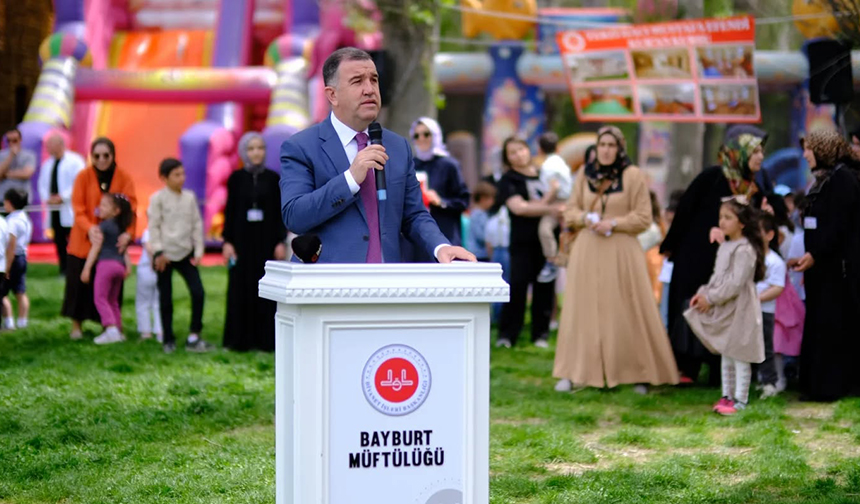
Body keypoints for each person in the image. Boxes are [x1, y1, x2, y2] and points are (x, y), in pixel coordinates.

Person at [279, 47, 474, 264]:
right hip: (329, 279)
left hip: (386, 278)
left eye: (374, 80)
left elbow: (414, 215)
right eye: (357, 81)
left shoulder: (398, 147)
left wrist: (441, 246)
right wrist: (350, 180)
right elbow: (295, 216)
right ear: (332, 95)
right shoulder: (301, 147)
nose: (369, 89)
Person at [553, 128, 678, 392]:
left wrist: (614, 223)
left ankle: (638, 372)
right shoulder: (585, 174)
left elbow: (643, 217)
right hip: (588, 248)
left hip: (622, 250)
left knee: (627, 309)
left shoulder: (633, 176)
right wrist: (586, 218)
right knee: (581, 310)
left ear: (620, 148)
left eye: (612, 145)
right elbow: (571, 210)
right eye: (602, 144)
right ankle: (574, 372)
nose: (606, 150)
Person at [660, 125, 769, 384]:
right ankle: (687, 367)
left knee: (725, 308)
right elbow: (685, 209)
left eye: (761, 152)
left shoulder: (755, 185)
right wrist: (671, 245)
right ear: (741, 152)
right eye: (755, 151)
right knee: (692, 305)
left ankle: (719, 370)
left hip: (730, 259)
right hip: (696, 256)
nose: (761, 157)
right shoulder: (713, 177)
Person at [789, 129, 860, 401]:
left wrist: (815, 254)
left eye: (809, 149)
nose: (805, 155)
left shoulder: (841, 179)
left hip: (835, 270)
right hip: (822, 267)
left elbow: (838, 225)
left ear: (823, 149)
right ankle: (815, 384)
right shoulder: (827, 178)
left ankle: (827, 387)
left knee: (830, 326)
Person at [684, 197, 766, 415]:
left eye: (728, 217)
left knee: (740, 353)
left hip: (740, 308)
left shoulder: (745, 249)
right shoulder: (726, 246)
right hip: (725, 306)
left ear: (742, 223)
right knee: (727, 352)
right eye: (721, 217)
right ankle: (727, 396)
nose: (722, 221)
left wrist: (711, 299)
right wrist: (704, 293)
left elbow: (735, 284)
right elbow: (718, 276)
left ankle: (740, 400)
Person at [64, 137, 137, 340]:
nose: (102, 160)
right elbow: (78, 208)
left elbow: (132, 208)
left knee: (110, 289)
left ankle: (110, 327)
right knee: (79, 285)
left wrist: (128, 233)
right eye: (97, 156)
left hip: (112, 243)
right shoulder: (83, 176)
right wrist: (90, 228)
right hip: (83, 240)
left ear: (113, 156)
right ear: (91, 157)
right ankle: (77, 326)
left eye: (106, 155)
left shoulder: (124, 177)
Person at [222, 132, 287, 352]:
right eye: (251, 149)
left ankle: (266, 340)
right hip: (241, 243)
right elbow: (229, 212)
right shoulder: (235, 179)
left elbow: (279, 213)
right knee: (240, 288)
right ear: (244, 152)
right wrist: (227, 241)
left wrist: (280, 241)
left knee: (266, 288)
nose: (256, 153)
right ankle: (239, 341)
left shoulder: (273, 179)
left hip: (266, 243)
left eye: (260, 148)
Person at [495, 136, 560, 349]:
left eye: (521, 149)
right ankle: (508, 334)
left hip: (547, 241)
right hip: (522, 241)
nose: (518, 155)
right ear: (507, 158)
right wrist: (551, 208)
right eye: (512, 152)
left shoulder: (544, 173)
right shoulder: (508, 180)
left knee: (545, 287)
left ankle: (540, 334)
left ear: (528, 150)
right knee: (518, 286)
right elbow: (519, 208)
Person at [148, 158, 213, 354]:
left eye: (182, 174)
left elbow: (197, 225)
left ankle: (194, 335)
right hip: (165, 256)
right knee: (166, 298)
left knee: (198, 292)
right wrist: (158, 252)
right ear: (164, 178)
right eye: (176, 175)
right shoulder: (157, 199)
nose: (181, 178)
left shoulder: (189, 197)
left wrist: (199, 251)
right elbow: (153, 227)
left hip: (186, 253)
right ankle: (168, 338)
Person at [408, 117, 470, 260]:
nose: (421, 139)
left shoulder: (449, 165)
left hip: (445, 231)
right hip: (418, 235)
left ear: (435, 135)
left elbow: (464, 201)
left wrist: (441, 202)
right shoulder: (411, 165)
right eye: (416, 135)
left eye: (426, 134)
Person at [81, 193, 134, 345]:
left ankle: (110, 329)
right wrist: (128, 266)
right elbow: (123, 249)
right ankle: (118, 330)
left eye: (104, 205)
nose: (100, 208)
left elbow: (96, 248)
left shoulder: (103, 227)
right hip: (119, 267)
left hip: (105, 266)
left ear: (116, 211)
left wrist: (86, 268)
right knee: (113, 300)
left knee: (100, 298)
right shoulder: (121, 228)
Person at [37, 134, 86, 275]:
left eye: (50, 145)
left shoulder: (75, 161)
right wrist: (48, 198)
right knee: (59, 239)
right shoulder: (48, 164)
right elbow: (42, 184)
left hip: (70, 208)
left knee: (75, 239)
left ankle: (78, 267)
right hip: (55, 209)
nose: (48, 149)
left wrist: (63, 197)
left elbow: (79, 182)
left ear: (60, 144)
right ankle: (63, 268)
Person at [536, 132, 573, 283]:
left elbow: (554, 187)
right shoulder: (561, 162)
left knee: (544, 229)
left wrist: (543, 203)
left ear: (540, 149)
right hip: (568, 200)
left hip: (557, 201)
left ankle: (551, 261)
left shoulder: (548, 165)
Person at [756, 213, 786, 398]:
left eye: (758, 231)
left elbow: (777, 288)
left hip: (764, 312)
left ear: (769, 235)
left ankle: (770, 382)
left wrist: (756, 299)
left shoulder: (775, 261)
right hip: (745, 311)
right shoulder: (748, 258)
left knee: (765, 348)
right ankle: (752, 381)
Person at [1, 189, 33, 330]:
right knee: (20, 292)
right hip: (22, 257)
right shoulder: (25, 218)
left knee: (2, 293)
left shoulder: (12, 221)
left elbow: (11, 246)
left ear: (9, 203)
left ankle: (9, 322)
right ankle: (22, 322)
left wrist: (7, 267)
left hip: (12, 258)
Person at [135, 228, 162, 342]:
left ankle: (145, 332)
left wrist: (153, 261)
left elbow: (148, 247)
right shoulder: (167, 231)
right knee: (158, 302)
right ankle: (160, 331)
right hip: (161, 269)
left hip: (147, 268)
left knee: (143, 302)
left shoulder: (149, 231)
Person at [0, 128, 36, 200]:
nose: (11, 143)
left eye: (14, 140)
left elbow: (27, 174)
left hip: (22, 197)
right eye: (9, 141)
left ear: (20, 140)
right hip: (4, 197)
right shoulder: (1, 155)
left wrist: (6, 174)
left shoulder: (29, 155)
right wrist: (10, 156)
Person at [465, 181, 496, 262]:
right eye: (491, 198)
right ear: (483, 198)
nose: (493, 202)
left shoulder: (483, 214)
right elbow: (480, 235)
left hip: (482, 253)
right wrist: (492, 239)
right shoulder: (477, 215)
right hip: (478, 253)